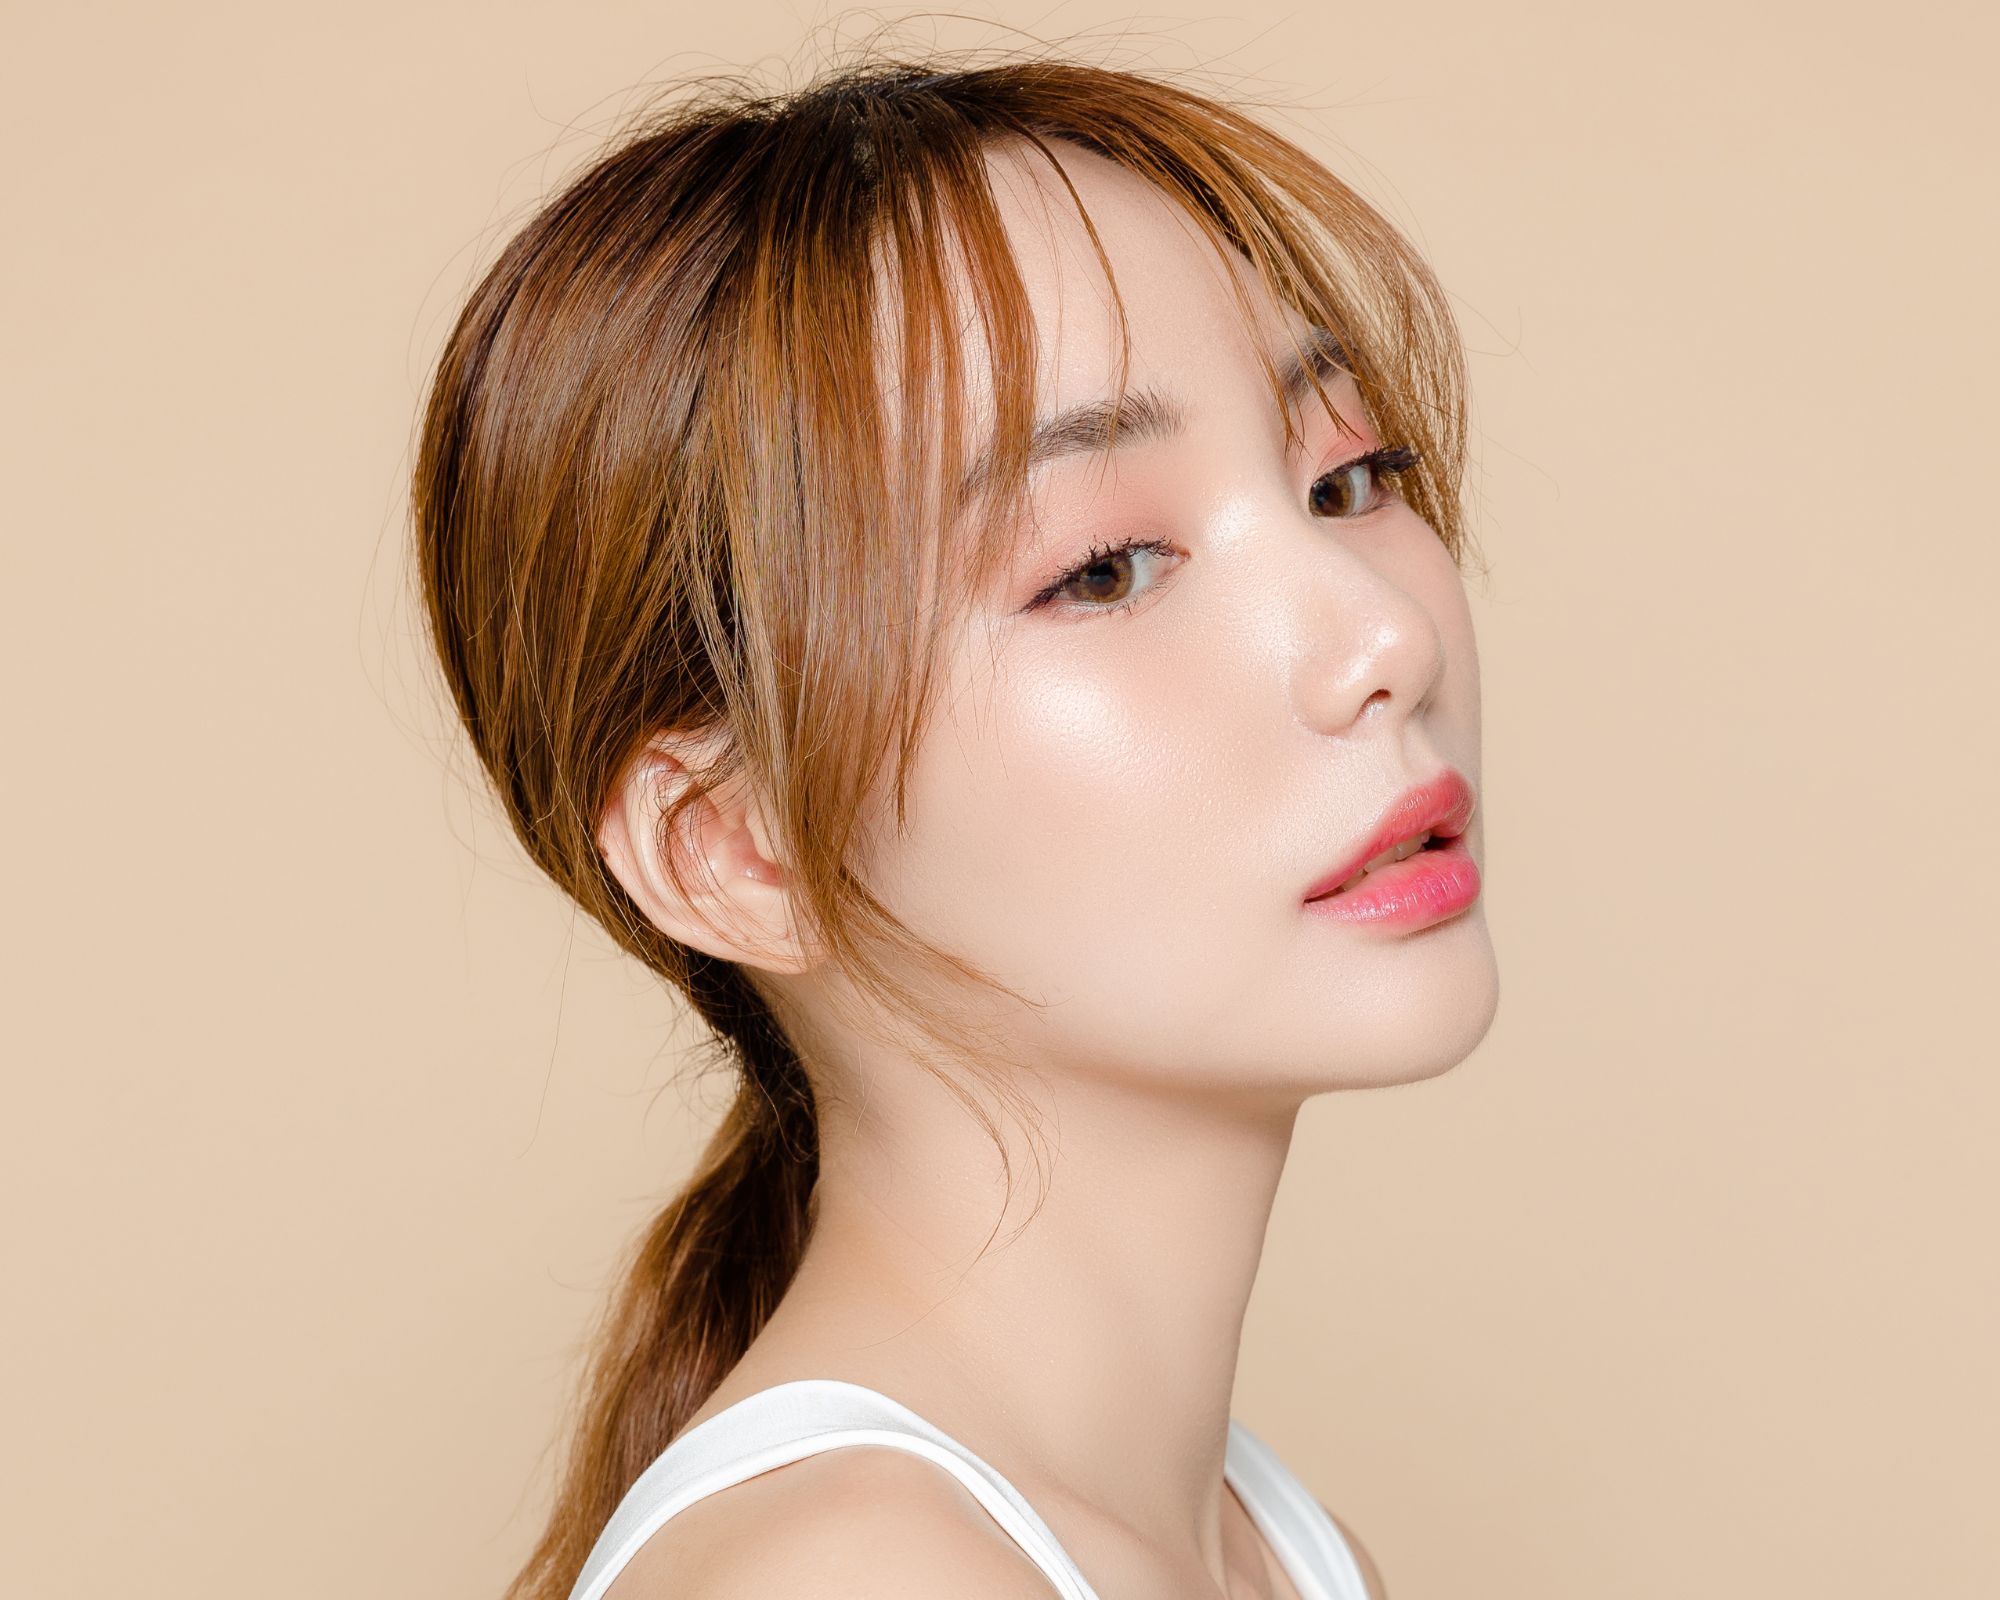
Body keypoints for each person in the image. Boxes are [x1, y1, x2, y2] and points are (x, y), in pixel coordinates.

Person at [411, 41, 1499, 1600]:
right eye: (1105, 570)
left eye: (1347, 479)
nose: (1384, 642)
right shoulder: (850, 1577)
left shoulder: (1285, 1558)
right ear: (735, 849)